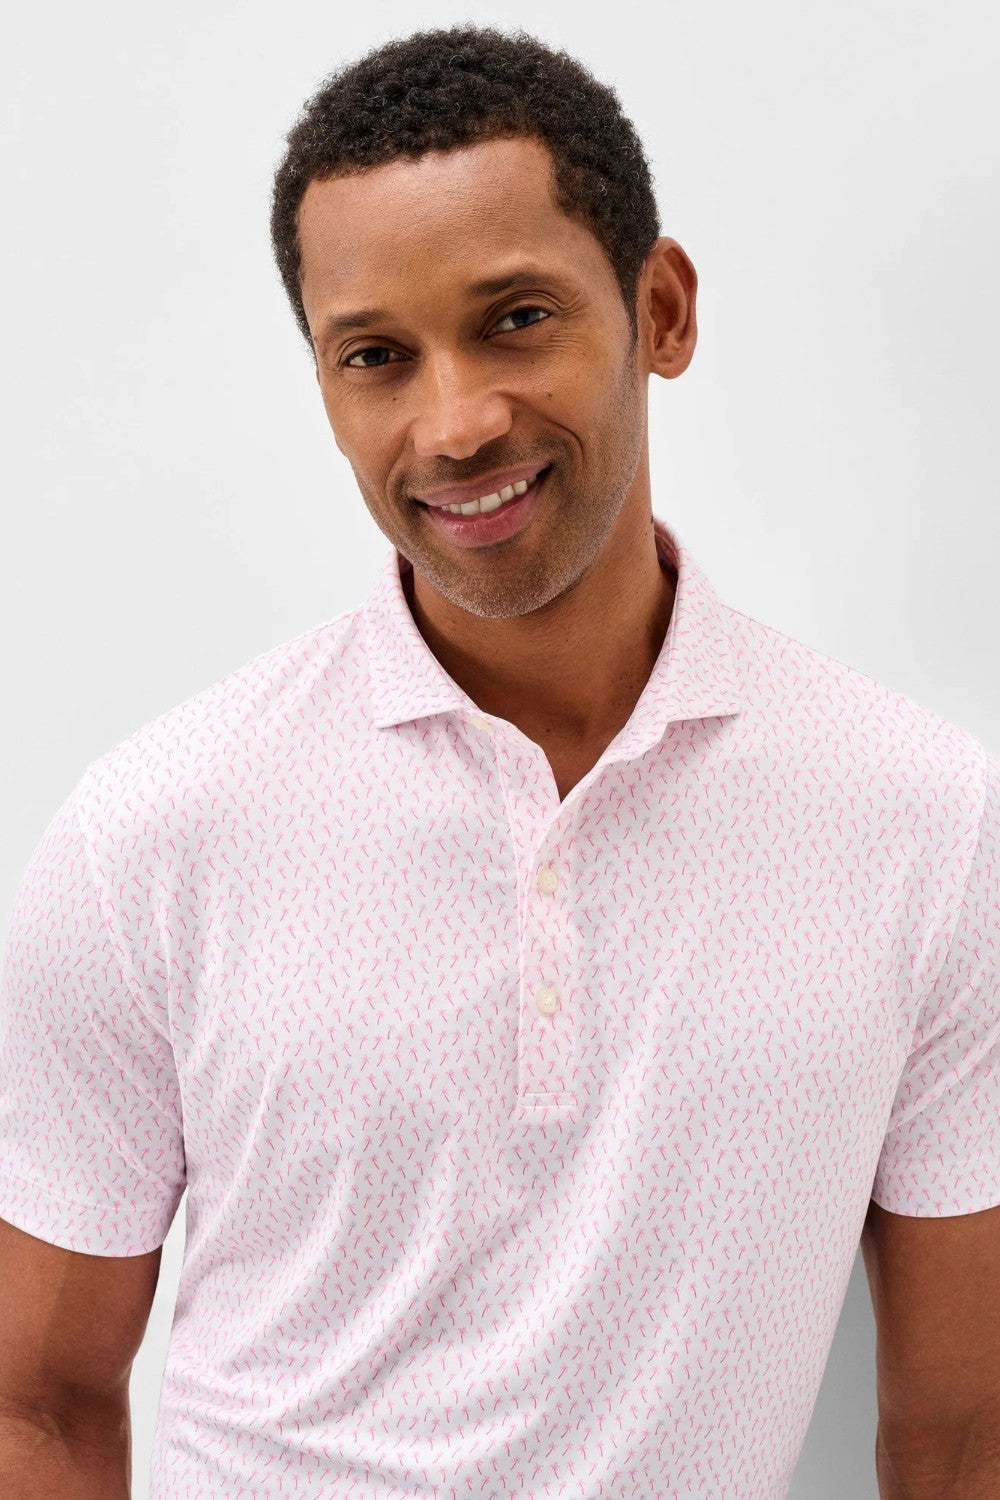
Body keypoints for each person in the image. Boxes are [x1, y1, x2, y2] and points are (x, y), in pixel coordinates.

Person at [1, 23, 998, 1500]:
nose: (456, 423)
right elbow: (38, 1405)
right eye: (376, 357)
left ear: (660, 308)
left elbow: (959, 1434)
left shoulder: (925, 819)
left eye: (516, 318)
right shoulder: (153, 832)